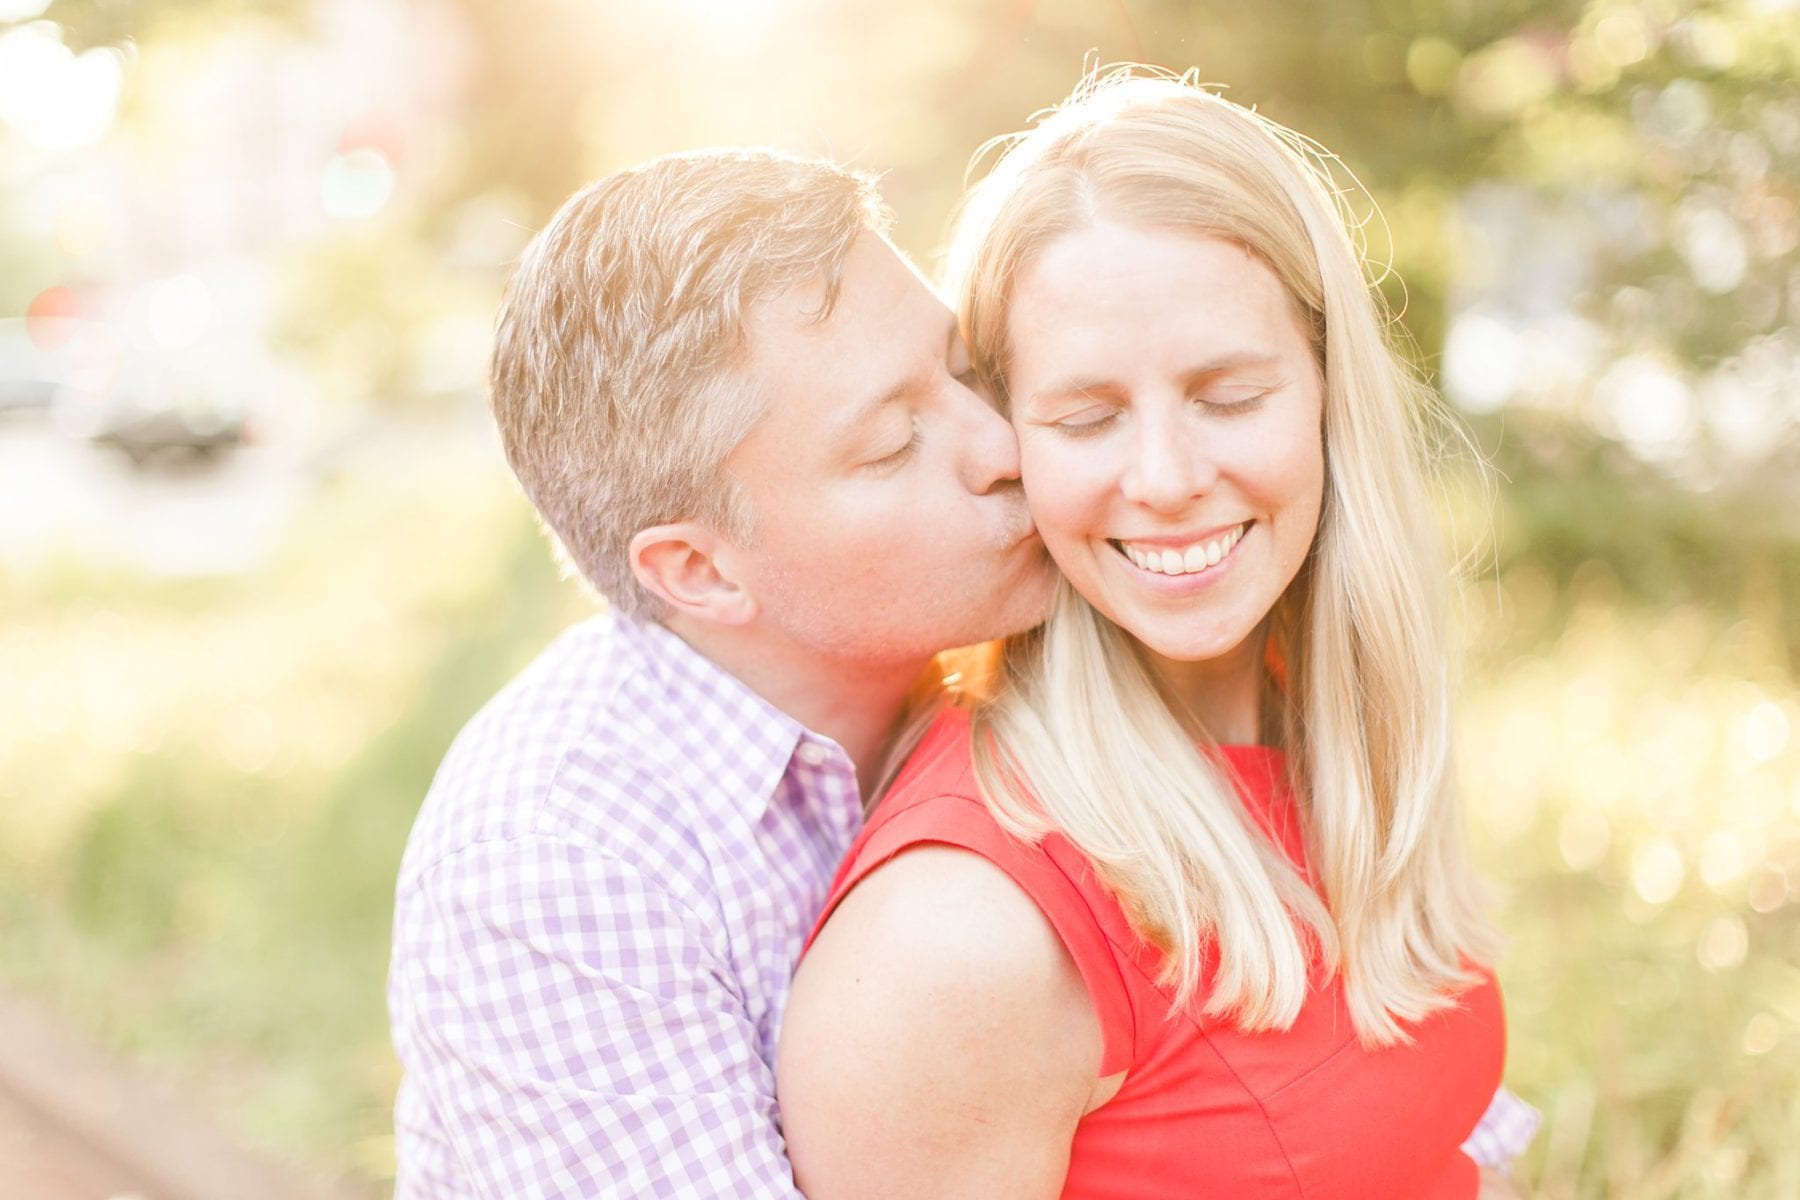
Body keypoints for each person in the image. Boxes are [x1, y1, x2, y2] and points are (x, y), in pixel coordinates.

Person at [780, 72, 1537, 1198]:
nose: (1169, 480)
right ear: (1007, 439)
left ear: (1331, 394)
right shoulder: (963, 935)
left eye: (1229, 397)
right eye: (1086, 418)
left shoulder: (1319, 725)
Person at [385, 149, 1057, 1198]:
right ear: (698, 571)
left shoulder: (1019, 657)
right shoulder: (557, 871)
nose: (1003, 444)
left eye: (967, 369)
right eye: (890, 446)